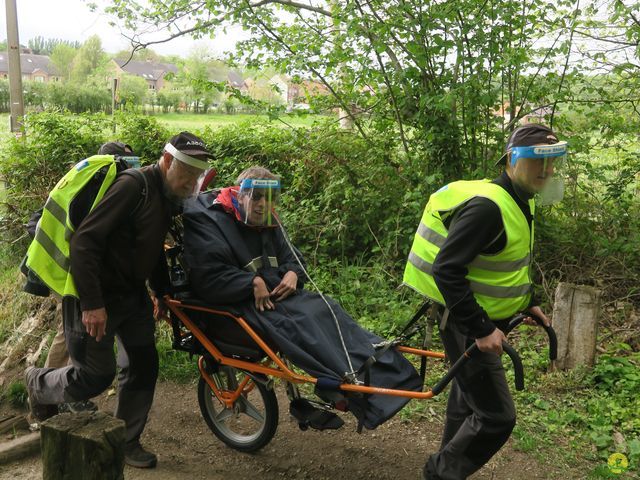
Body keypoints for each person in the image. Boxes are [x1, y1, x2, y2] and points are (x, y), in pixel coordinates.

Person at [182, 166, 422, 430]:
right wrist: (251, 281)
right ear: (240, 194)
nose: (263, 205)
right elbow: (207, 277)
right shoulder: (213, 221)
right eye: (256, 197)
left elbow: (293, 259)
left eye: (269, 198)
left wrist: (295, 274)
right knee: (306, 327)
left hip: (282, 297)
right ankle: (356, 391)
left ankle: (390, 369)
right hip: (246, 304)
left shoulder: (269, 220)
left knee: (328, 308)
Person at [25, 132, 213, 469]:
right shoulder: (132, 186)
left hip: (132, 296)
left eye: (197, 174)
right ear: (167, 161)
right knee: (94, 375)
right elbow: (85, 242)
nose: (191, 181)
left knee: (143, 364)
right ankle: (37, 384)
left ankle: (127, 441)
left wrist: (162, 293)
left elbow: (152, 245)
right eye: (187, 170)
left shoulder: (167, 195)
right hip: (95, 295)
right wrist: (92, 304)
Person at [403, 124, 567, 480]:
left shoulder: (521, 200)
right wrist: (481, 329)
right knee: (496, 416)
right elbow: (446, 270)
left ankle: (446, 472)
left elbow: (507, 261)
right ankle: (440, 473)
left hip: (477, 318)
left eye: (553, 162)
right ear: (511, 160)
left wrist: (528, 301)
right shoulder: (488, 208)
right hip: (465, 322)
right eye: (539, 161)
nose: (548, 171)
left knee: (467, 401)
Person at [41, 142, 138, 415]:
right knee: (70, 334)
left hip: (88, 276)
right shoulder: (86, 186)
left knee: (73, 334)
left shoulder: (109, 190)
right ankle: (49, 393)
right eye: (124, 167)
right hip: (73, 278)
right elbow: (42, 221)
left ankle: (60, 393)